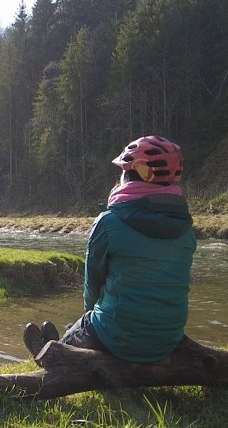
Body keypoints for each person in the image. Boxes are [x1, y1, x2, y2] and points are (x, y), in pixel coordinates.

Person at [24, 135, 196, 363]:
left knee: (85, 327)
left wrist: (90, 317)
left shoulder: (108, 223)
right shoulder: (186, 229)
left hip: (117, 336)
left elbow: (92, 287)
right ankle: (65, 336)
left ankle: (48, 352)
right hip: (168, 337)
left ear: (135, 173)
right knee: (86, 325)